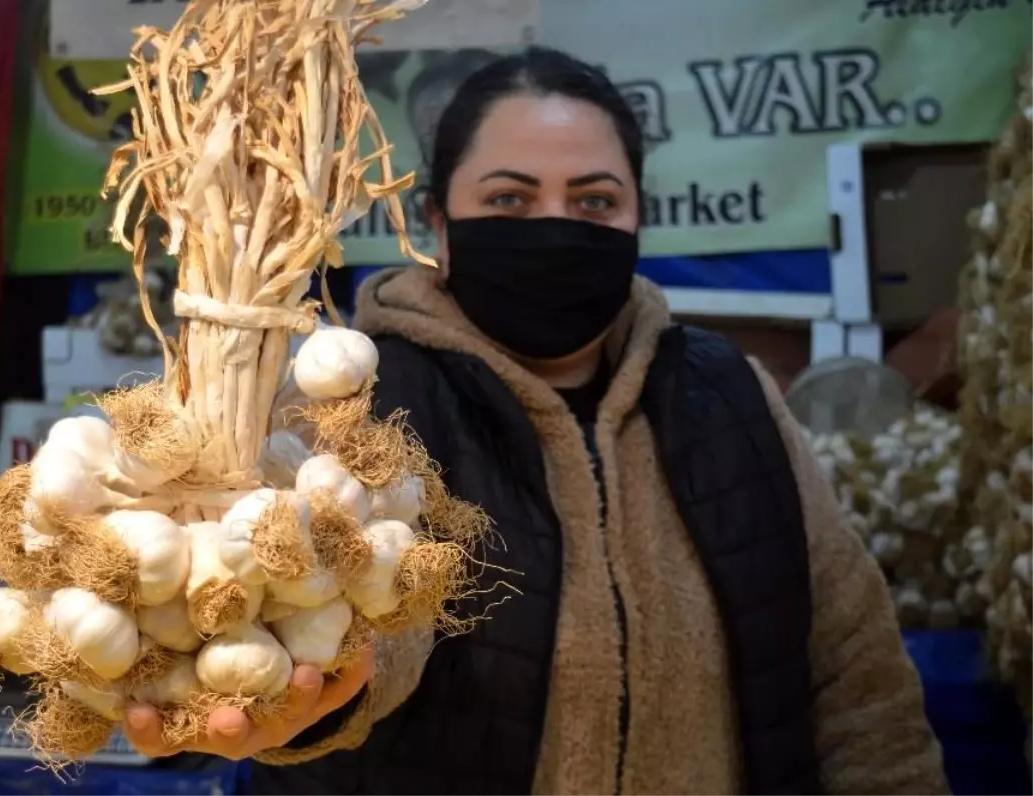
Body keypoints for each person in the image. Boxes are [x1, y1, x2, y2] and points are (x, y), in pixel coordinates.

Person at [124, 46, 949, 796]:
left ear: (635, 220)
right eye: (508, 198)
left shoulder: (731, 395)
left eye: (594, 200)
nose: (554, 227)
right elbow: (348, 624)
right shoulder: (351, 400)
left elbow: (855, 677)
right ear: (439, 228)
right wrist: (320, 685)